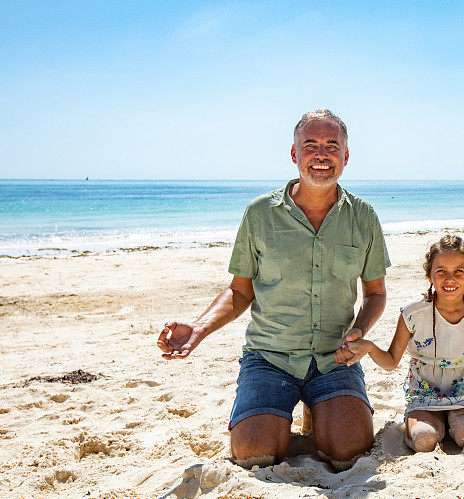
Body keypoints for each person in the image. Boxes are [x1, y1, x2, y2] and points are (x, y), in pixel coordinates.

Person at [156, 109, 391, 470]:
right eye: (310, 145)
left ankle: (319, 407)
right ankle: (288, 408)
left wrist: (360, 329)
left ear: (346, 156)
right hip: (270, 358)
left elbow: (376, 293)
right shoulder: (259, 213)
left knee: (348, 448)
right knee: (255, 454)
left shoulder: (364, 216)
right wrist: (199, 328)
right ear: (294, 154)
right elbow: (240, 291)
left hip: (335, 358)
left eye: (332, 145)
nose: (321, 154)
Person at [341, 235, 464, 452]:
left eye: (458, 271)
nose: (449, 279)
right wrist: (370, 347)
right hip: (423, 395)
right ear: (430, 276)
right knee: (424, 440)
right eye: (441, 271)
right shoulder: (412, 313)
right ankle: (434, 424)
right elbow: (391, 362)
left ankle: (452, 423)